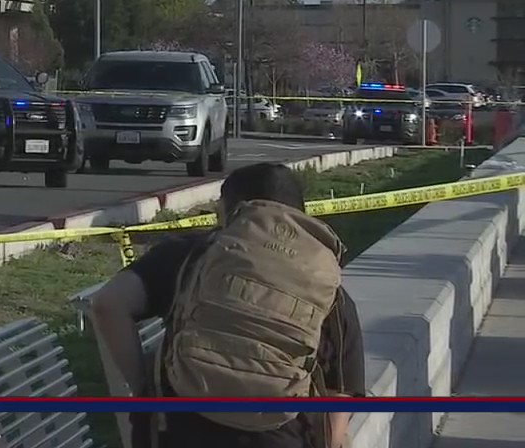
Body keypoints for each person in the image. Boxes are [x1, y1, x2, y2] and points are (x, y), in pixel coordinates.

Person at [90, 162, 366, 448]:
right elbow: (337, 405)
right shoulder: (327, 287)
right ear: (299, 214)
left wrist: (144, 393)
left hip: (177, 432)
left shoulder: (187, 256)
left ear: (230, 211)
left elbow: (108, 305)